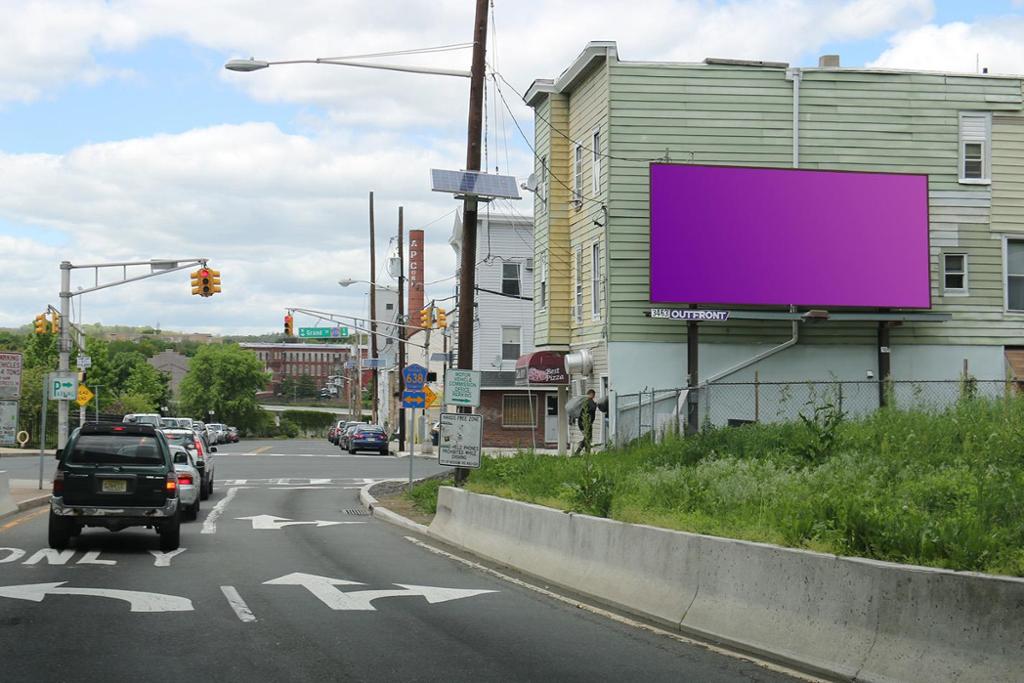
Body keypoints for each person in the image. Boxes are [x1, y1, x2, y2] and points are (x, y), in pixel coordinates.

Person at [573, 389, 599, 455]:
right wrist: (595, 405)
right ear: (591, 394)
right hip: (586, 423)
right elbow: (592, 408)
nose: (594, 396)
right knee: (587, 438)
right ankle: (578, 453)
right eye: (593, 395)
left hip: (582, 422)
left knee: (587, 438)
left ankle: (587, 453)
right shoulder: (589, 400)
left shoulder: (584, 401)